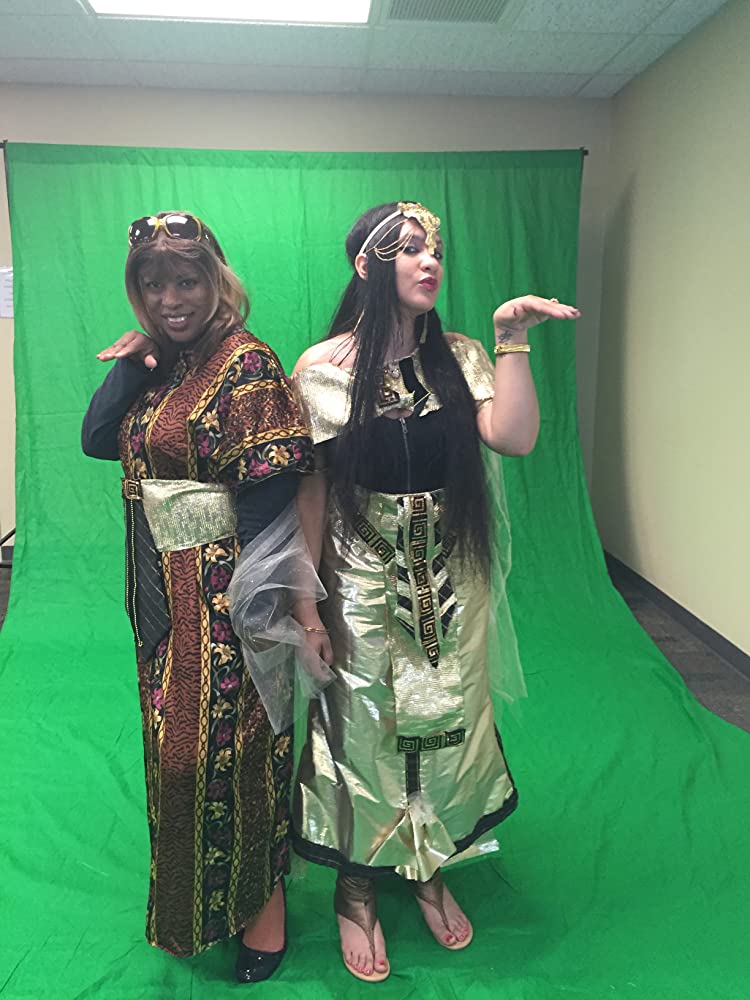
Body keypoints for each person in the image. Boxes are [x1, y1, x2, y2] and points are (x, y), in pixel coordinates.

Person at [290, 201, 580, 983]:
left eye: (436, 250)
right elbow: (311, 491)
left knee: (446, 724)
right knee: (364, 730)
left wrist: (510, 336)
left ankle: (427, 862)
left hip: (451, 578)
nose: (429, 263)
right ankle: (357, 886)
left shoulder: (460, 355)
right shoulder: (322, 368)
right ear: (367, 265)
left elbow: (514, 437)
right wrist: (307, 605)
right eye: (410, 249)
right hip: (359, 577)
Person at [81, 212, 313, 982]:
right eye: (153, 285)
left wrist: (250, 608)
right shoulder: (163, 361)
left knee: (231, 756)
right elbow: (97, 438)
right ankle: (202, 906)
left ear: (215, 279)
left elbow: (272, 492)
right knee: (171, 754)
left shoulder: (247, 364)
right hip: (159, 589)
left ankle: (265, 915)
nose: (170, 299)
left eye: (185, 281)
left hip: (223, 595)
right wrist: (131, 363)